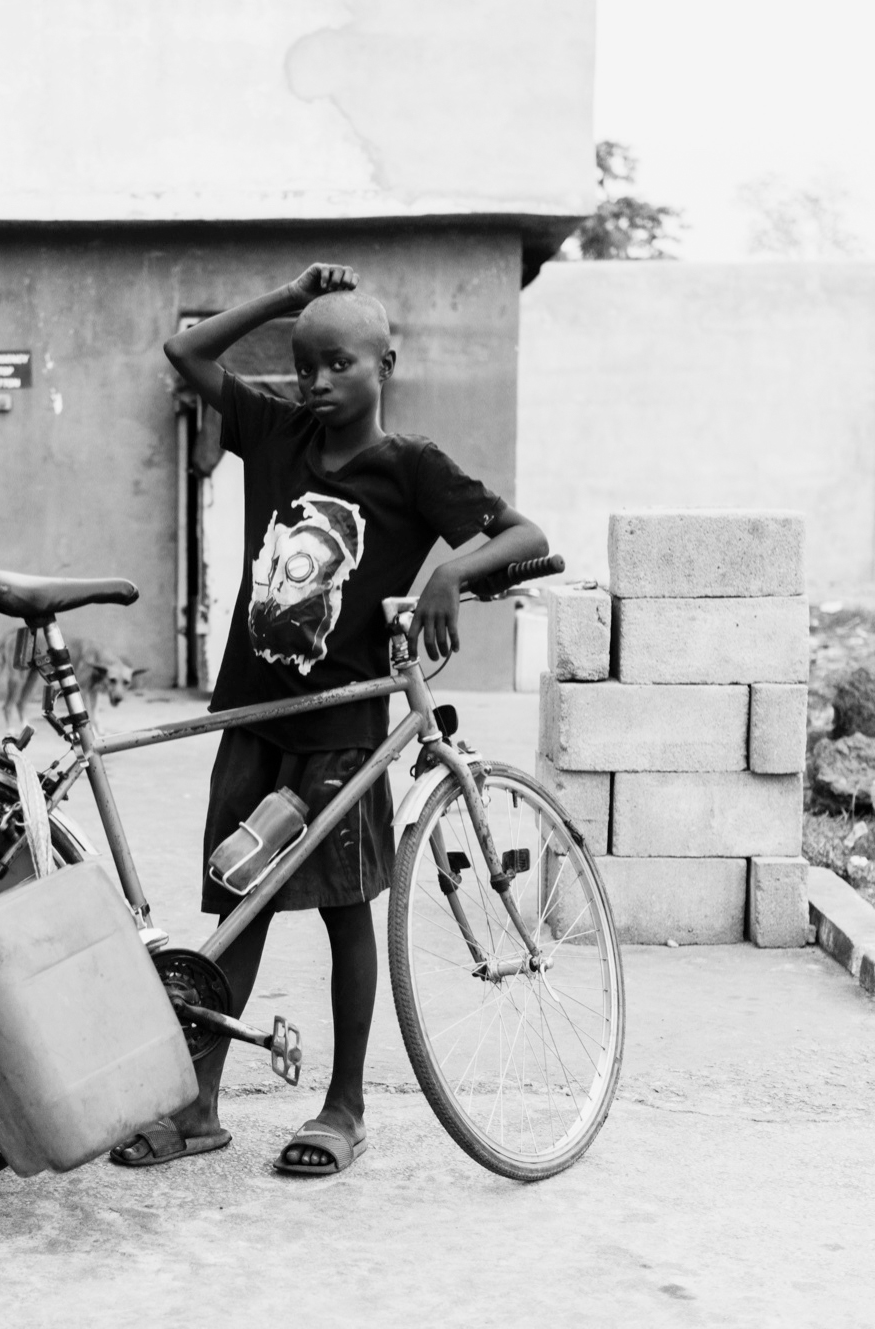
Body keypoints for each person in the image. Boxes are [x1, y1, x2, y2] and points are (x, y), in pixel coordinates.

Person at [111, 263, 549, 1176]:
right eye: (303, 363)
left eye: (335, 363)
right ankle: (198, 1107)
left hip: (344, 731)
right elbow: (184, 351)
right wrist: (282, 299)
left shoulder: (413, 468)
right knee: (238, 904)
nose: (315, 381)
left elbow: (524, 537)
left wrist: (449, 572)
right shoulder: (277, 432)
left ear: (385, 364)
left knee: (348, 916)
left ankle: (344, 1107)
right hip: (257, 713)